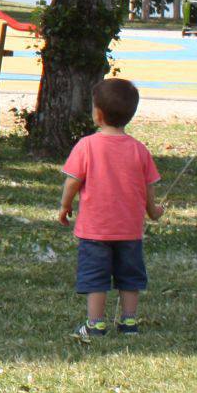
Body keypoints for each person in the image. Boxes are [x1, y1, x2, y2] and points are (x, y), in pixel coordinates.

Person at [60, 77, 163, 337]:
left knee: (96, 277)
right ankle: (129, 322)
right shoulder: (139, 150)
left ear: (98, 114)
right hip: (130, 230)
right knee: (130, 277)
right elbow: (148, 188)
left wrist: (65, 206)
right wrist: (153, 211)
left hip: (95, 230)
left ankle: (95, 324)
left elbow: (73, 181)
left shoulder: (86, 146)